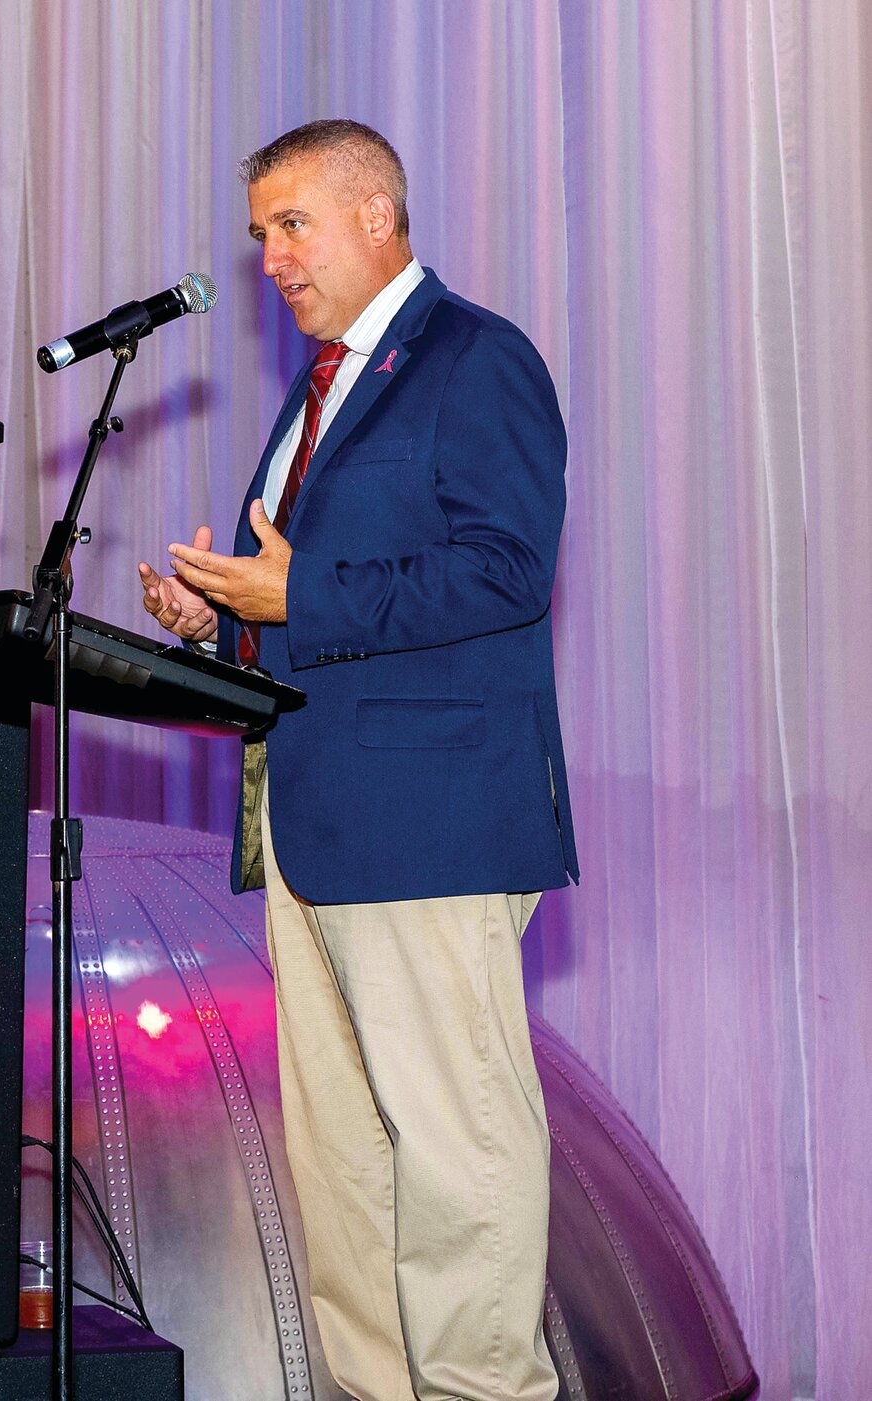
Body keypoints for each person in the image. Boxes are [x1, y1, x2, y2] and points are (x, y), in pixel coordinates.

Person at [138, 119, 579, 1401]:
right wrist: (221, 612)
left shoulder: (475, 359)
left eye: (293, 225)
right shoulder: (320, 384)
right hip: (313, 823)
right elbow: (312, 591)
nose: (270, 258)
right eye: (261, 232)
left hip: (431, 820)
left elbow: (508, 570)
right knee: (342, 1172)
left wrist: (298, 594)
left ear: (375, 214)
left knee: (459, 1152)